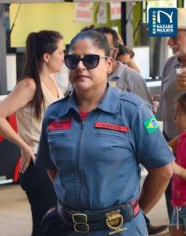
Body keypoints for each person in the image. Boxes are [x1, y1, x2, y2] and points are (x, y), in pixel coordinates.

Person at [36, 30, 174, 235]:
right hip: (67, 228)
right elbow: (53, 169)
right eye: (72, 60)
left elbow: (162, 170)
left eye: (91, 60)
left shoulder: (133, 111)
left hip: (119, 229)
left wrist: (134, 214)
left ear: (109, 63)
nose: (80, 66)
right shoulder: (55, 114)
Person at [0, 30, 65, 236]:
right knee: (44, 227)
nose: (64, 57)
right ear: (47, 56)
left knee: (56, 225)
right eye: (61, 52)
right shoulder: (29, 85)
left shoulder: (53, 81)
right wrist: (23, 145)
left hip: (53, 163)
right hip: (37, 165)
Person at [160, 7, 186, 224]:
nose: (169, 43)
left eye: (174, 35)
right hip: (171, 142)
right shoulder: (170, 64)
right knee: (175, 208)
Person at [93, 27, 154, 111]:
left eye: (106, 48)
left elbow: (148, 114)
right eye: (95, 47)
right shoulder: (85, 75)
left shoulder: (132, 78)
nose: (99, 52)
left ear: (115, 52)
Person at [168, 93, 186, 236]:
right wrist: (148, 122)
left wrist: (176, 169)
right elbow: (163, 147)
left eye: (179, 114)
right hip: (178, 203)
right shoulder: (182, 137)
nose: (174, 119)